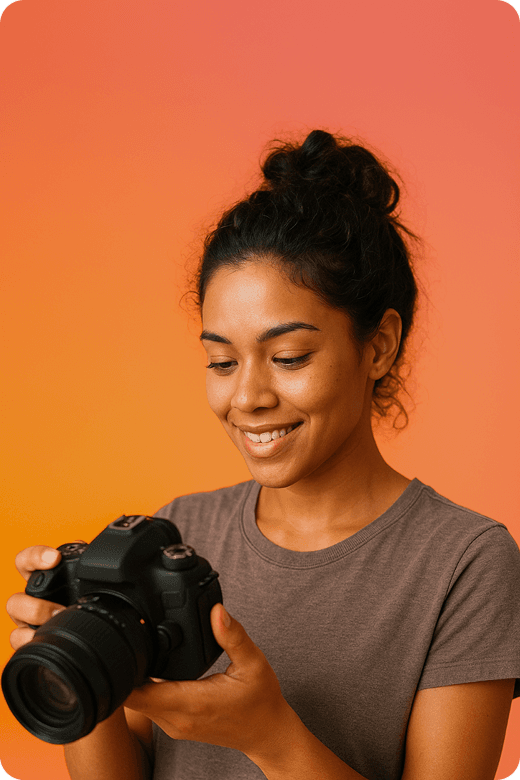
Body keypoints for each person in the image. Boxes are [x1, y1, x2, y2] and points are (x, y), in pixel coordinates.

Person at [6, 129, 520, 780]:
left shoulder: (465, 563)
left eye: (288, 358)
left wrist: (271, 737)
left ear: (380, 345)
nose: (246, 396)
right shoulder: (177, 533)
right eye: (221, 361)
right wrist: (84, 663)